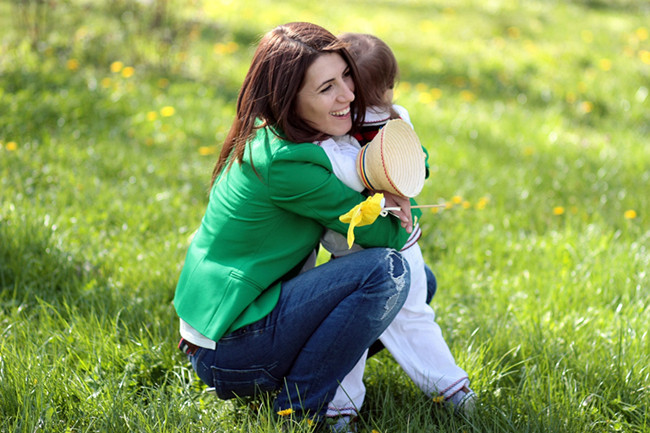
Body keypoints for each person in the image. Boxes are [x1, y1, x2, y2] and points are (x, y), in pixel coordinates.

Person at [172, 22, 418, 428]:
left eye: (346, 76)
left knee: (418, 278)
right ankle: (298, 411)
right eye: (326, 88)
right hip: (228, 350)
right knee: (386, 272)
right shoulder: (289, 165)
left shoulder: (277, 137)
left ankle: (305, 387)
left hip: (226, 333)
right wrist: (405, 204)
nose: (349, 95)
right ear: (288, 99)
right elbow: (377, 231)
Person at [316, 33, 476, 428]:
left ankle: (340, 410)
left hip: (353, 252)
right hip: (405, 245)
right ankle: (453, 389)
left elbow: (336, 178)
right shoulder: (398, 119)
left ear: (348, 83)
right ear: (388, 87)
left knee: (351, 330)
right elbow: (417, 166)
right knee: (416, 316)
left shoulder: (334, 128)